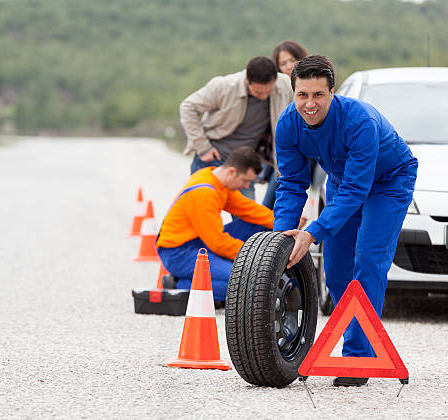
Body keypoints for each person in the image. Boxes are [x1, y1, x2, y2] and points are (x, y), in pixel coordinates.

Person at [272, 55, 418, 387]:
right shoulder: (288, 124)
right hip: (343, 181)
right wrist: (282, 236)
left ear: (332, 92)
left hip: (389, 182)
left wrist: (312, 232)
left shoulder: (359, 121)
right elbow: (293, 183)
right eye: (302, 95)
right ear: (293, 93)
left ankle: (358, 357)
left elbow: (357, 190)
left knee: (368, 259)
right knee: (336, 270)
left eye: (318, 95)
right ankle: (355, 334)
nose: (310, 104)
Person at [156, 147, 274, 305]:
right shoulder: (204, 193)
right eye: (245, 181)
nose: (246, 186)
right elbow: (218, 243)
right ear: (232, 171)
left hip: (200, 241)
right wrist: (253, 257)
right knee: (239, 284)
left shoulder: (217, 180)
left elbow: (249, 209)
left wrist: (283, 221)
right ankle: (178, 284)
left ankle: (217, 271)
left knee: (256, 224)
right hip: (179, 252)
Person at [179, 56, 293, 200]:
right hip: (213, 158)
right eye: (258, 93)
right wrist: (203, 147)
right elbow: (188, 106)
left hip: (245, 163)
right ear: (247, 80)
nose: (264, 96)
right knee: (200, 207)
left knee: (246, 217)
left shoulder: (284, 85)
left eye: (268, 91)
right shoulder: (224, 86)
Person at [262, 40, 310, 209]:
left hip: (307, 153)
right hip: (284, 156)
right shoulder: (275, 89)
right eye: (283, 63)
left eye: (293, 60)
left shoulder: (313, 85)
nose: (289, 66)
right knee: (271, 205)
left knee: (275, 205)